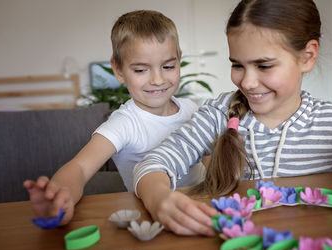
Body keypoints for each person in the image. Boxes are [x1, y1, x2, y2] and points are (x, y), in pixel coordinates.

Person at [133, 0, 332, 236]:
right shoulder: (218, 115)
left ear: (307, 56)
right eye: (237, 65)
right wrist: (158, 197)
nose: (247, 83)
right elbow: (153, 163)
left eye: (264, 66)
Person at [23, 10, 206, 225]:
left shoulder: (191, 109)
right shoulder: (124, 123)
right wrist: (59, 200)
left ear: (179, 60)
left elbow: (210, 156)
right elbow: (79, 168)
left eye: (168, 66)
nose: (158, 79)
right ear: (118, 70)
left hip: (204, 207)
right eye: (140, 70)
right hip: (155, 219)